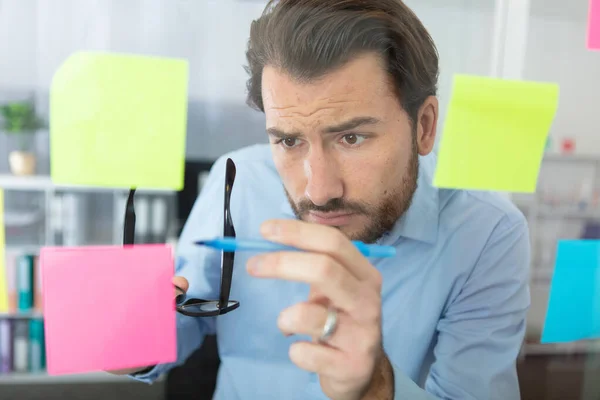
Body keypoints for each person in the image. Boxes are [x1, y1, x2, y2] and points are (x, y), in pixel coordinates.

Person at [121, 0, 531, 398]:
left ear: (424, 126)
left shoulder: (488, 234)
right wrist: (125, 339)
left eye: (351, 138)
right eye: (289, 140)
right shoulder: (238, 181)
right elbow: (182, 319)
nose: (318, 191)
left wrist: (375, 388)